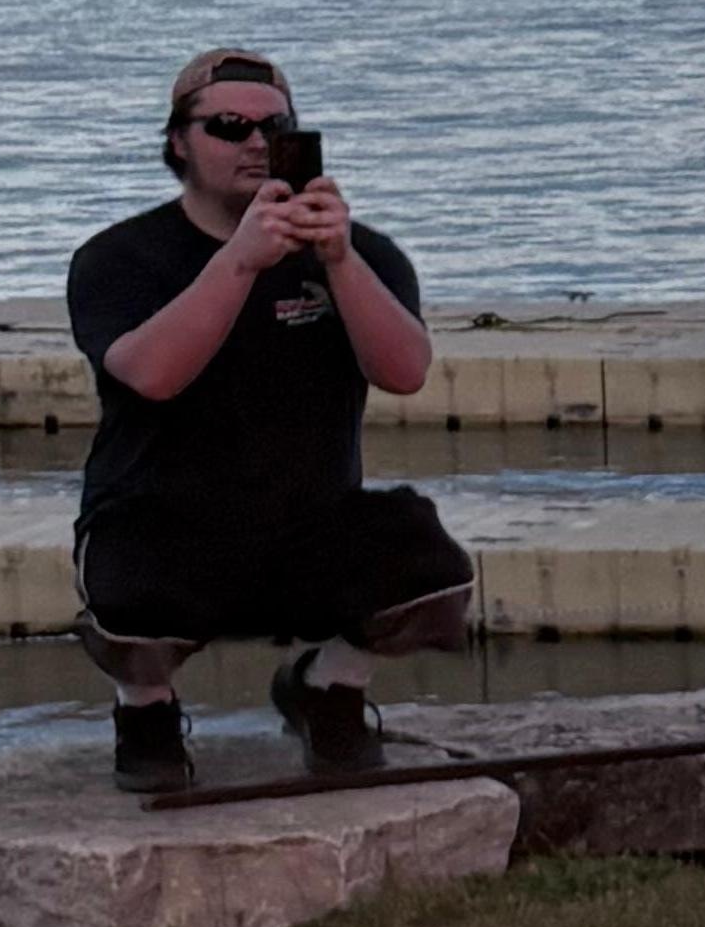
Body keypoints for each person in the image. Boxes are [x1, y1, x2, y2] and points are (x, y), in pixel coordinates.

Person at [68, 51, 474, 797]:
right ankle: (146, 710)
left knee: (432, 570)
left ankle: (327, 687)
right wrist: (241, 262)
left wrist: (341, 263)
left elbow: (405, 371)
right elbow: (153, 375)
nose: (256, 142)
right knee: (123, 600)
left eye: (276, 127)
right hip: (163, 526)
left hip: (308, 525)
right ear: (178, 143)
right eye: (229, 126)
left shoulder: (361, 253)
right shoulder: (118, 257)